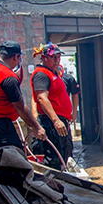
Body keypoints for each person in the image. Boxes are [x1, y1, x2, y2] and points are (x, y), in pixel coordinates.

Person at [0, 41, 46, 148]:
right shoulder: (8, 77)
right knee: (13, 159)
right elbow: (20, 108)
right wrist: (37, 127)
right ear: (16, 57)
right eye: (19, 59)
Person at [30, 42, 73, 170]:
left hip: (61, 120)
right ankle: (54, 183)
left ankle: (63, 181)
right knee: (55, 157)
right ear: (44, 58)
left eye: (58, 57)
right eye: (53, 57)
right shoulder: (41, 74)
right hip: (52, 122)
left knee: (65, 154)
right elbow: (41, 98)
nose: (57, 60)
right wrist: (56, 120)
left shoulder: (53, 74)